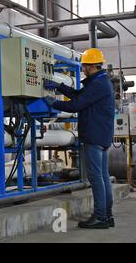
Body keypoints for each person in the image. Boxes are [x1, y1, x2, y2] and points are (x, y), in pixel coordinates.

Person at [44, 48, 115, 229]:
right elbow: (80, 96)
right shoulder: (100, 82)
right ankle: (107, 216)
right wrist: (60, 87)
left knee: (97, 178)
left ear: (91, 66)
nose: (83, 69)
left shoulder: (99, 84)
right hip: (102, 136)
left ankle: (100, 217)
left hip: (94, 136)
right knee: (104, 177)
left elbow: (77, 105)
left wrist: (54, 103)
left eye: (84, 66)